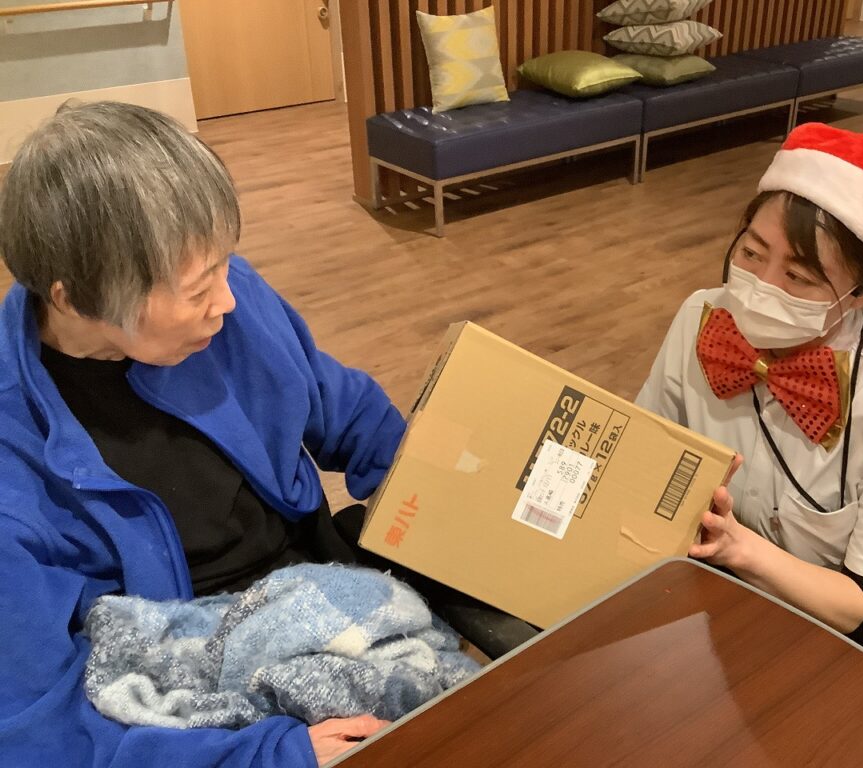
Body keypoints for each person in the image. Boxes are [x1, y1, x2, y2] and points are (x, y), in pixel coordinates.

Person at [0, 101, 531, 768]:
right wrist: (266, 755)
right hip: (193, 680)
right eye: (197, 290)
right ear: (73, 300)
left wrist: (448, 505)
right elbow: (39, 732)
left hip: (316, 589)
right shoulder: (14, 466)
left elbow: (350, 414)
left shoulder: (235, 302)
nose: (228, 300)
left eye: (224, 265)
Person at [637, 121, 863, 669]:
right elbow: (647, 449)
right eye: (751, 253)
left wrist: (739, 548)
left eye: (799, 277)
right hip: (700, 593)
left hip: (833, 637)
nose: (762, 286)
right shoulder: (701, 318)